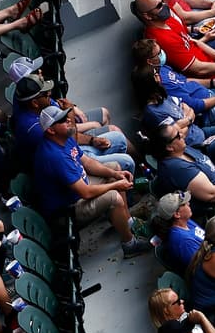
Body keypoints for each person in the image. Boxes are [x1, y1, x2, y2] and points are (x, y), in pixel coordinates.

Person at [35, 103, 143, 258]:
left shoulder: (65, 138)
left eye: (66, 117)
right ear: (51, 130)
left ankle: (125, 221)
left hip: (79, 187)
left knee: (116, 168)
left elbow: (87, 162)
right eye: (62, 120)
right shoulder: (54, 156)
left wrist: (115, 174)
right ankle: (130, 245)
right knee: (114, 197)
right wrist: (116, 185)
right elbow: (85, 192)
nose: (68, 121)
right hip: (67, 210)